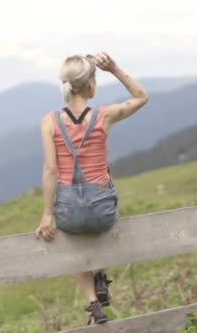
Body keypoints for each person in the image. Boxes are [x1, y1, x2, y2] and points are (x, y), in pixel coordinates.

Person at [34, 52, 149, 325]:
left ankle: (92, 303)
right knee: (97, 223)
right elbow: (142, 96)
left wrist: (47, 214)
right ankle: (100, 274)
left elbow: (51, 169)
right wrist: (115, 69)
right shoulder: (104, 116)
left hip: (68, 207)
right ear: (90, 85)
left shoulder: (49, 121)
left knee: (75, 237)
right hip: (101, 207)